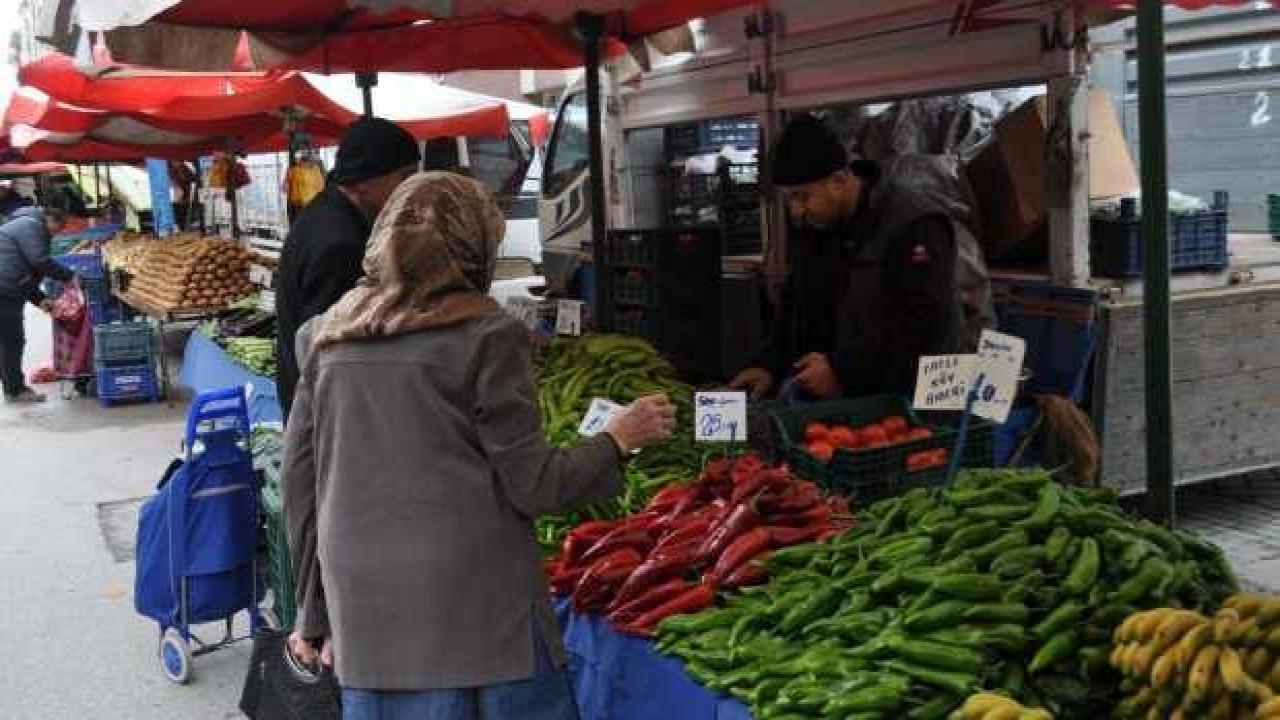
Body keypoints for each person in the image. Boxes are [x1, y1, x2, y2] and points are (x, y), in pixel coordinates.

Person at [281, 172, 676, 720]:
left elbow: (299, 482)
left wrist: (312, 614)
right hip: (480, 612)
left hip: (364, 608)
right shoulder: (488, 336)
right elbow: (534, 484)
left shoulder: (324, 335)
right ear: (474, 246)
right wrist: (617, 439)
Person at [731, 113, 971, 401]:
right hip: (845, 400)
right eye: (790, 199)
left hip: (915, 399)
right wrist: (768, 364)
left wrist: (842, 368)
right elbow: (796, 304)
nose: (796, 210)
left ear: (838, 181)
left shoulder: (914, 223)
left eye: (802, 196)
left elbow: (926, 322)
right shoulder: (817, 225)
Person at [275, 117, 421, 420]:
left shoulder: (322, 212)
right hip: (327, 412)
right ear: (365, 180)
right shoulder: (341, 243)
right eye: (405, 177)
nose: (412, 190)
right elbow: (333, 348)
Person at [0, 206, 73, 403]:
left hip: (8, 288)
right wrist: (70, 276)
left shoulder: (29, 225)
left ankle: (11, 384)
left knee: (9, 339)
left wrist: (40, 299)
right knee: (12, 340)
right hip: (4, 290)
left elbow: (25, 270)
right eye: (59, 227)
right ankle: (15, 390)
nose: (58, 233)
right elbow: (40, 261)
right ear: (50, 218)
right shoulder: (31, 226)